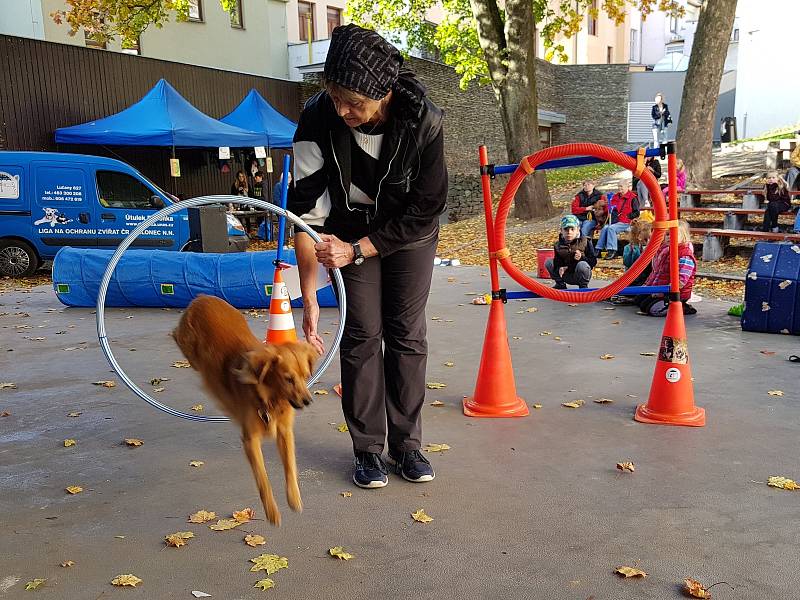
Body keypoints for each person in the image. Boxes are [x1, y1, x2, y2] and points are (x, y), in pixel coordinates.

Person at [288, 24, 447, 489]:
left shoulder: (424, 122)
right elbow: (307, 214)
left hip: (409, 236)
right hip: (346, 233)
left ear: (384, 92)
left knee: (406, 335)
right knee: (361, 334)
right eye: (335, 97)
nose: (343, 110)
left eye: (354, 102)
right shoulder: (317, 118)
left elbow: (426, 209)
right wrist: (310, 297)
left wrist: (360, 249)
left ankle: (407, 445)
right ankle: (368, 451)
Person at [636, 219, 697, 316]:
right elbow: (657, 272)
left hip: (676, 292)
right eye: (668, 234)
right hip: (662, 288)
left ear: (683, 237)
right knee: (640, 300)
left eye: (673, 234)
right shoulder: (666, 251)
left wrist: (663, 292)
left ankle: (682, 307)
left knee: (650, 308)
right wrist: (647, 285)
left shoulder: (685, 256)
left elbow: (681, 281)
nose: (669, 237)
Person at [545, 215, 597, 289]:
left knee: (582, 265)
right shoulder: (558, 245)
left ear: (578, 229)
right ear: (561, 230)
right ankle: (560, 284)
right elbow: (557, 261)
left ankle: (583, 287)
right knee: (548, 262)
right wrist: (560, 267)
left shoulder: (586, 241)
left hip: (579, 274)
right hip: (565, 275)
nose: (569, 232)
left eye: (572, 229)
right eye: (566, 229)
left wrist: (581, 257)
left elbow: (593, 261)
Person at [596, 181, 639, 260]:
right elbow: (611, 207)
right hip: (615, 220)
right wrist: (609, 206)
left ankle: (612, 250)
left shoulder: (633, 198)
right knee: (605, 227)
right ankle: (598, 248)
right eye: (619, 186)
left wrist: (627, 216)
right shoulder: (616, 196)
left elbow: (637, 212)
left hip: (626, 222)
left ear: (627, 187)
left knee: (611, 228)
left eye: (622, 186)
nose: (620, 188)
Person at [622, 218, 652, 286]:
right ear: (637, 236)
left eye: (649, 239)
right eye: (645, 239)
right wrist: (634, 252)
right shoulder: (629, 248)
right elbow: (627, 263)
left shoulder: (649, 247)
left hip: (645, 276)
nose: (647, 242)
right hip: (633, 278)